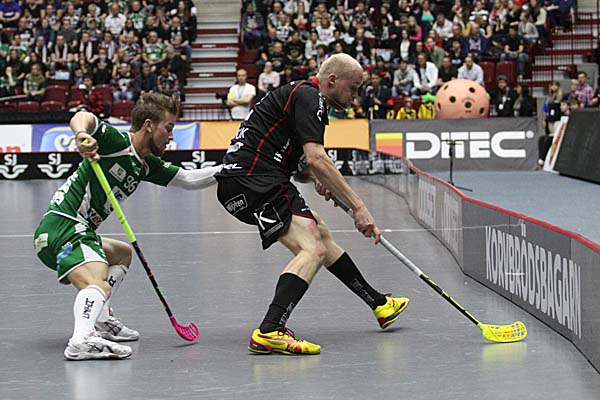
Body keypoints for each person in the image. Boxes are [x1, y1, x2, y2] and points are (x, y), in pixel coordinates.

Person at [215, 54, 409, 355]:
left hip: (249, 182)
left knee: (320, 232)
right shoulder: (309, 96)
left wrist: (317, 176)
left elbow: (305, 165)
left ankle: (379, 304)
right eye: (352, 88)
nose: (354, 97)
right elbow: (317, 157)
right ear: (332, 80)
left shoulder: (301, 97)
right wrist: (359, 208)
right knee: (312, 249)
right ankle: (270, 330)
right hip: (255, 181)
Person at [33, 93, 221, 360]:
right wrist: (82, 135)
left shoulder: (145, 165)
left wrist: (231, 170)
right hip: (64, 225)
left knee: (121, 254)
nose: (171, 136)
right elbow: (82, 117)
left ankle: (101, 320)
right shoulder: (117, 143)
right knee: (98, 282)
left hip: (77, 230)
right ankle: (81, 340)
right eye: (168, 128)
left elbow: (189, 179)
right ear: (149, 125)